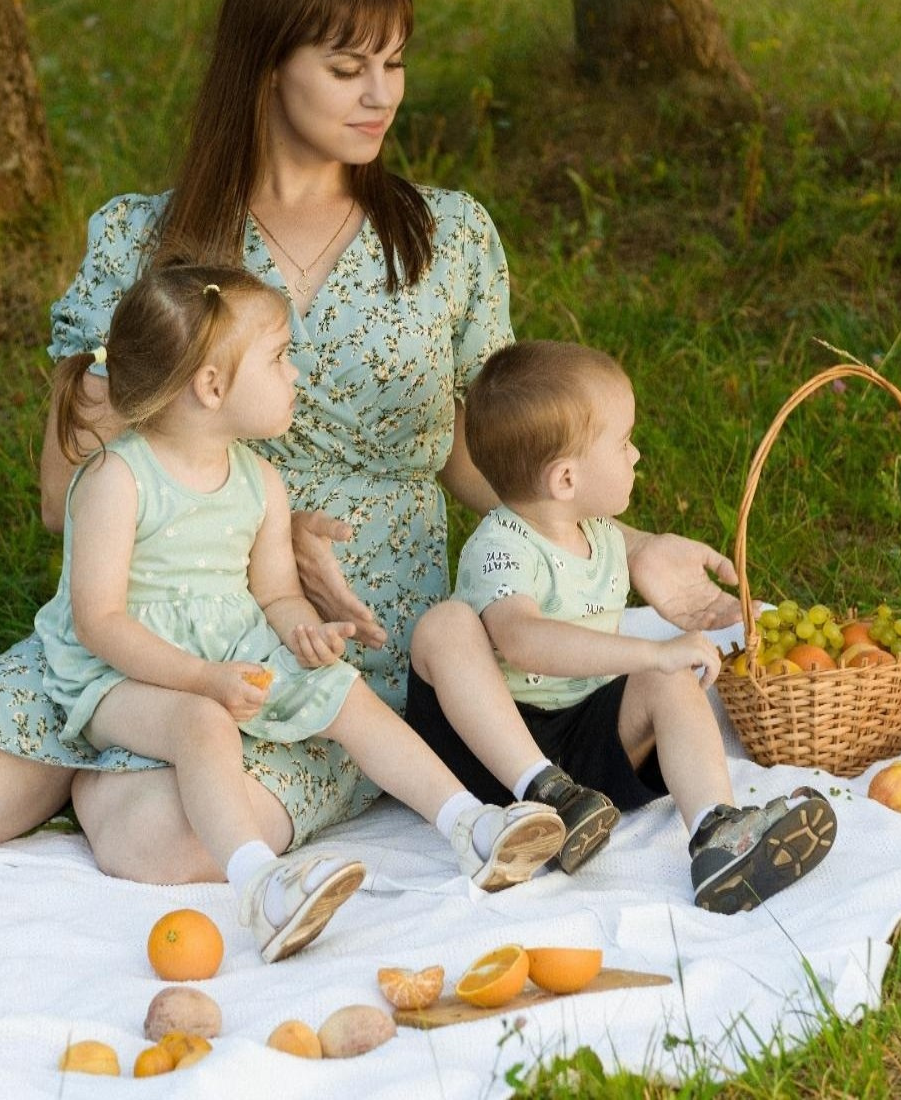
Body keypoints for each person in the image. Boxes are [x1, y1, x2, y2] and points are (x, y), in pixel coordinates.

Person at [0, 0, 743, 882]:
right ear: (266, 67)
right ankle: (80, 734)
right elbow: (60, 494)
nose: (383, 96)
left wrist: (631, 548)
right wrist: (226, 507)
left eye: (395, 65)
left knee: (170, 843)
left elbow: (484, 459)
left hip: (335, 640)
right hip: (146, 606)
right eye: (346, 68)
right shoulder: (143, 243)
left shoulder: (445, 240)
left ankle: (123, 769)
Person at [33, 263, 563, 958]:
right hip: (117, 675)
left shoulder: (259, 481)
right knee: (201, 722)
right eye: (280, 358)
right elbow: (99, 623)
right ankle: (261, 887)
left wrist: (303, 632)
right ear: (212, 386)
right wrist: (201, 680)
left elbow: (275, 593)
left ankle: (470, 824)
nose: (295, 374)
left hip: (225, 651)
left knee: (348, 695)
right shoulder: (118, 479)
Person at [406, 341, 838, 913]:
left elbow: (632, 669)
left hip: (582, 748)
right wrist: (645, 653)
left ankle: (717, 833)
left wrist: (660, 664)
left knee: (671, 680)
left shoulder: (604, 535)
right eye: (623, 443)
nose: (637, 456)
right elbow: (523, 641)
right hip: (493, 748)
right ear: (565, 479)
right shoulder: (500, 547)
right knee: (446, 625)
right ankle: (543, 794)